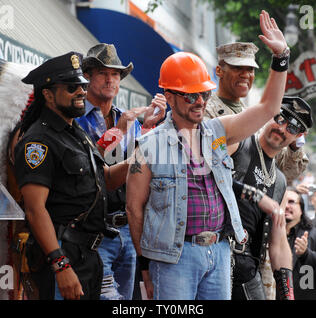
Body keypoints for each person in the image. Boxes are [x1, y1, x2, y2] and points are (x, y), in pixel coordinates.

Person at [126, 10, 289, 300]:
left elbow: (267, 109)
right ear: (169, 94)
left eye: (204, 94)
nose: (199, 101)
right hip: (174, 259)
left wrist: (281, 59)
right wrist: (146, 268)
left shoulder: (218, 130)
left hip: (220, 251)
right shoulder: (149, 147)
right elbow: (134, 209)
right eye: (191, 95)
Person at [13, 51, 131, 300]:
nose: (80, 91)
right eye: (71, 87)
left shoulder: (75, 132)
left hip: (89, 256)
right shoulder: (38, 142)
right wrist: (61, 265)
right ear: (47, 94)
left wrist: (141, 161)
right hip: (62, 258)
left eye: (82, 85)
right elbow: (35, 210)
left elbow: (106, 180)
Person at [76, 43, 166, 300]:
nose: (110, 79)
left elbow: (138, 166)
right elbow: (90, 164)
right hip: (93, 229)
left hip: (128, 227)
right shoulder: (76, 117)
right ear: (88, 76)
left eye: (115, 74)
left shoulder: (125, 117)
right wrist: (123, 129)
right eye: (103, 72)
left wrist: (148, 129)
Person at [229, 95, 313, 300]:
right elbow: (207, 174)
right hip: (215, 258)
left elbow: (279, 242)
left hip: (248, 269)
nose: (282, 128)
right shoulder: (239, 143)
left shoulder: (281, 182)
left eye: (292, 128)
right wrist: (255, 195)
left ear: (297, 137)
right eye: (280, 118)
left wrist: (287, 293)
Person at [204, 42, 308, 185]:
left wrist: (294, 144)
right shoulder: (203, 111)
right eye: (237, 68)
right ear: (219, 71)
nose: (245, 75)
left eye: (250, 69)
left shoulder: (254, 119)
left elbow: (286, 172)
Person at [283, 187, 316, 299]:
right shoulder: (270, 233)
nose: (286, 206)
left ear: (301, 209)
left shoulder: (313, 234)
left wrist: (305, 254)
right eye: (283, 202)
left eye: (292, 202)